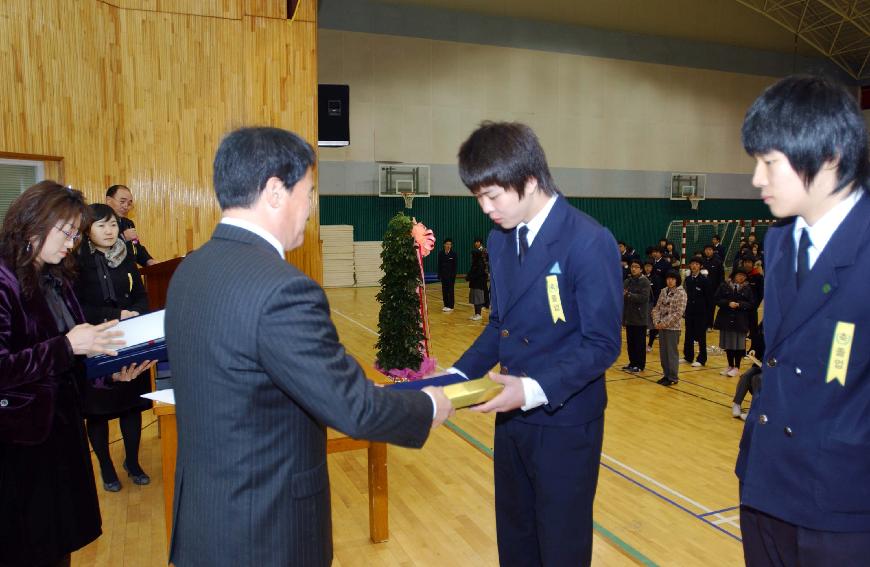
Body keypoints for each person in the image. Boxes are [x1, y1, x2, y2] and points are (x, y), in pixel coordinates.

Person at [163, 127, 453, 567]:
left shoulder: (191, 269)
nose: (311, 206)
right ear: (276, 191)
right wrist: (429, 405)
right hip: (266, 531)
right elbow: (353, 409)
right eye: (309, 192)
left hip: (206, 520)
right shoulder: (283, 290)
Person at [448, 122, 622, 566]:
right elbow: (499, 327)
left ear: (529, 181)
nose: (485, 208)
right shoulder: (501, 239)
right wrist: (455, 377)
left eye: (492, 196)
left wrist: (531, 389)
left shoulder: (588, 240)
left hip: (565, 419)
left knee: (560, 543)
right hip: (512, 419)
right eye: (478, 198)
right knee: (516, 536)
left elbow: (602, 344)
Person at [737, 75, 870, 566]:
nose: (757, 179)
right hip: (765, 485)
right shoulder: (778, 241)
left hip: (842, 504)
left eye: (770, 162)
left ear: (831, 154)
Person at [0, 181, 128, 566]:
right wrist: (68, 346)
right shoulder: (3, 279)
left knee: (59, 547)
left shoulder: (56, 277)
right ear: (33, 221)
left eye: (75, 234)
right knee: (27, 549)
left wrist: (109, 373)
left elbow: (73, 354)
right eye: (67, 232)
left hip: (60, 435)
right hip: (19, 444)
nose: (72, 243)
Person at [74, 203, 156, 492]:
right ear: (87, 230)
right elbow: (76, 307)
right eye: (101, 225)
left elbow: (141, 296)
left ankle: (132, 462)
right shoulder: (76, 263)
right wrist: (113, 316)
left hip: (129, 340)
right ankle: (107, 468)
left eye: (112, 225)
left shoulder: (126, 257)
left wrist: (134, 312)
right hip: (96, 342)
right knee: (98, 411)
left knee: (131, 405)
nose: (109, 231)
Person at [714, 269, 754, 377]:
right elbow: (717, 299)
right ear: (734, 276)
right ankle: (730, 365)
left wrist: (739, 304)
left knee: (738, 345)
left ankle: (737, 367)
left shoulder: (747, 288)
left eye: (743, 276)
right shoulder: (725, 286)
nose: (741, 278)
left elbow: (751, 304)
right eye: (739, 275)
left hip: (740, 320)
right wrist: (728, 303)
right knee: (729, 344)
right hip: (726, 319)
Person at [106, 184, 156, 267]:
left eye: (129, 204)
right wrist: (123, 237)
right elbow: (102, 251)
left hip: (132, 273)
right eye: (122, 202)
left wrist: (148, 260)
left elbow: (135, 245)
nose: (126, 206)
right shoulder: (100, 223)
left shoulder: (128, 223)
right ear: (108, 200)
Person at [651, 270, 687, 386]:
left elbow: (678, 313)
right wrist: (656, 321)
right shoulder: (663, 291)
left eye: (673, 279)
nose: (670, 281)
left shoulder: (681, 293)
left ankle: (673, 377)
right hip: (661, 326)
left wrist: (664, 323)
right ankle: (666, 375)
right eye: (668, 279)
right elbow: (656, 308)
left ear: (677, 280)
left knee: (671, 353)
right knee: (663, 353)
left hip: (673, 328)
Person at [622, 259, 650, 372]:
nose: (633, 269)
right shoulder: (628, 281)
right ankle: (632, 363)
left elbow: (643, 298)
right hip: (629, 316)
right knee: (631, 342)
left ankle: (639, 365)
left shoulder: (644, 281)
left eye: (636, 267)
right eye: (632, 266)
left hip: (640, 317)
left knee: (639, 343)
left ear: (641, 269)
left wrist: (628, 295)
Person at [682, 256, 710, 367]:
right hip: (689, 312)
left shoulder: (705, 280)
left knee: (701, 336)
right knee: (688, 334)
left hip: (701, 313)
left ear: (700, 266)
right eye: (692, 263)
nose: (694, 266)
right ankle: (688, 357)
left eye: (697, 264)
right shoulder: (688, 279)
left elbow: (709, 299)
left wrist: (708, 316)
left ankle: (702, 359)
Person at [701, 244, 724, 328]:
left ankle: (710, 324)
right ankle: (702, 323)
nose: (708, 251)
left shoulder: (718, 262)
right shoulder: (701, 262)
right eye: (706, 249)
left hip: (713, 289)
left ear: (713, 251)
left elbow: (721, 276)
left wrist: (720, 289)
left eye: (710, 249)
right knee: (703, 306)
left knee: (711, 307)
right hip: (702, 289)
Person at [467, 238, 488, 320]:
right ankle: (476, 313)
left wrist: (470, 277)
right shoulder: (475, 263)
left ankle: (479, 314)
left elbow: (478, 273)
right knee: (475, 298)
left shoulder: (479, 263)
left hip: (478, 283)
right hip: (474, 283)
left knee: (478, 298)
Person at [643, 259, 662, 351]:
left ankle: (650, 344)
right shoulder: (641, 277)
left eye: (649, 266)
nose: (647, 268)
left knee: (652, 325)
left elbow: (658, 292)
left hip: (651, 303)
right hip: (642, 304)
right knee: (642, 324)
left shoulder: (656, 278)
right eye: (646, 266)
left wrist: (655, 305)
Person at [437, 237, 457, 311]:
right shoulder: (440, 253)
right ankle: (446, 305)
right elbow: (439, 265)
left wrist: (453, 276)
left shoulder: (454, 254)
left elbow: (455, 266)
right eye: (447, 244)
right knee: (444, 291)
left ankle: (451, 306)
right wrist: (439, 275)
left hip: (451, 276)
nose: (448, 245)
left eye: (450, 244)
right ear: (444, 245)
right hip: (443, 276)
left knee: (450, 291)